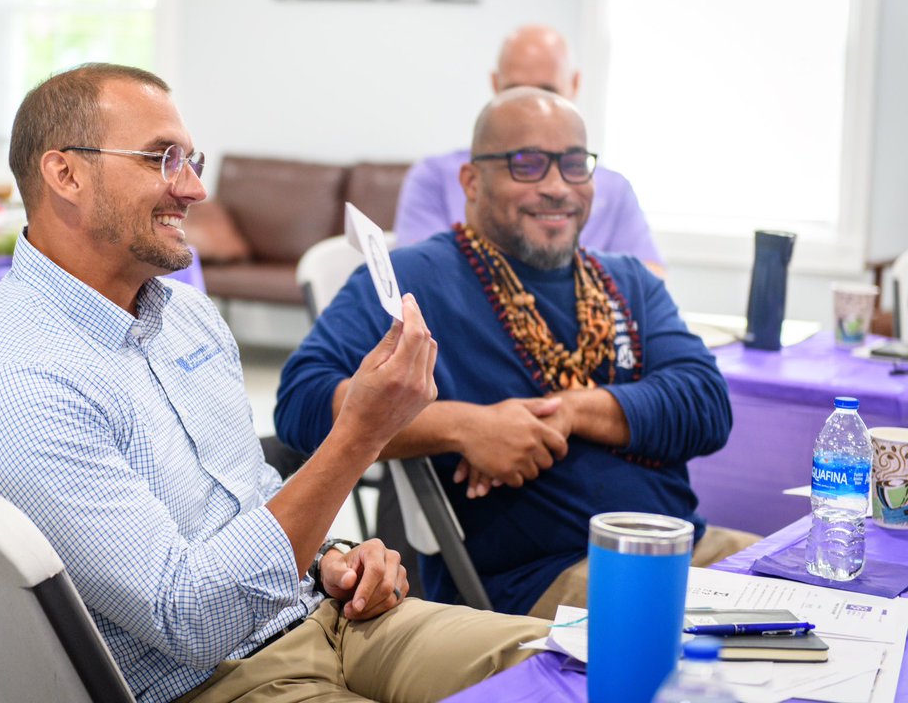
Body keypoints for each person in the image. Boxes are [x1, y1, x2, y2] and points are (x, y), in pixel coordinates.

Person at [0, 63, 552, 703]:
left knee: (576, 670)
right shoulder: (22, 382)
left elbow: (249, 499)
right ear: (65, 174)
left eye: (191, 159)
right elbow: (188, 617)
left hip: (325, 616)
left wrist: (330, 557)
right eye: (162, 159)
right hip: (216, 680)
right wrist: (359, 436)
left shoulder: (187, 317)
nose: (195, 188)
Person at [276, 87, 757, 618]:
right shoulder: (413, 279)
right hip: (544, 582)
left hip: (681, 547)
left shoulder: (628, 280)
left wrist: (571, 411)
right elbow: (302, 403)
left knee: (823, 593)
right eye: (527, 165)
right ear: (472, 181)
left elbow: (706, 407)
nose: (557, 187)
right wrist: (464, 427)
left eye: (575, 165)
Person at [394, 24, 665, 275]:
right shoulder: (435, 176)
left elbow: (649, 282)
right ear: (471, 182)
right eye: (517, 90)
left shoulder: (614, 189)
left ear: (575, 84)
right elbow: (419, 275)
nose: (534, 106)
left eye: (547, 91)